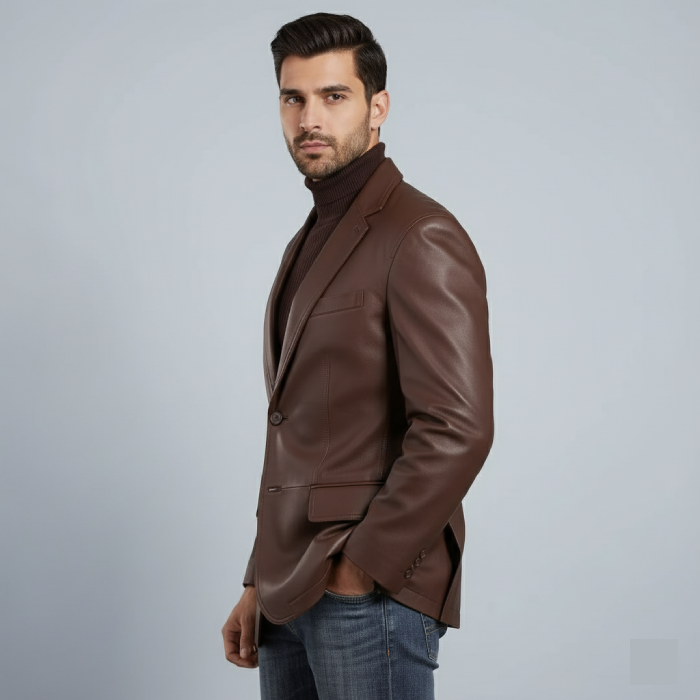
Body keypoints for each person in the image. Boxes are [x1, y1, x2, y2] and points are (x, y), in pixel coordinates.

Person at [222, 12, 494, 700]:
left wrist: (362, 567)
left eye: (333, 96)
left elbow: (458, 427)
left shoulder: (419, 232)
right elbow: (300, 430)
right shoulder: (311, 238)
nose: (309, 118)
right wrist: (257, 580)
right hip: (287, 592)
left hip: (366, 594)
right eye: (293, 98)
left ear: (378, 107)